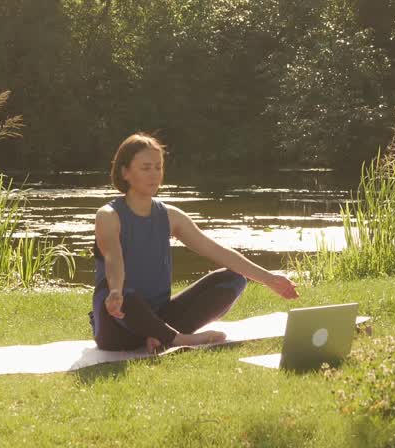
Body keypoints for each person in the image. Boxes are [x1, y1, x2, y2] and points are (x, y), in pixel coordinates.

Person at [90, 132, 299, 352]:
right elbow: (113, 259)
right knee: (126, 295)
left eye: (158, 167)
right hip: (118, 321)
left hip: (160, 315)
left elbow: (216, 251)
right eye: (145, 168)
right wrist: (115, 291)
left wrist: (269, 278)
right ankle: (179, 339)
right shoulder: (108, 215)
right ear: (125, 172)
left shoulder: (171, 216)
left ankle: (162, 335)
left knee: (233, 279)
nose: (154, 175)